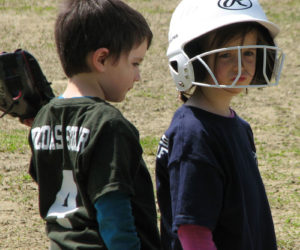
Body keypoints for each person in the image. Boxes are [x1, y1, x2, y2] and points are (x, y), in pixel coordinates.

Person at [28, 0, 161, 249]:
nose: (138, 76)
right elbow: (114, 216)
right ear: (101, 59)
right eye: (135, 63)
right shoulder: (109, 126)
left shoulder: (43, 118)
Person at [156, 0, 285, 249]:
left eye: (248, 52)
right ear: (190, 59)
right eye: (226, 54)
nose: (241, 65)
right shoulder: (193, 133)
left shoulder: (240, 127)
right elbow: (193, 232)